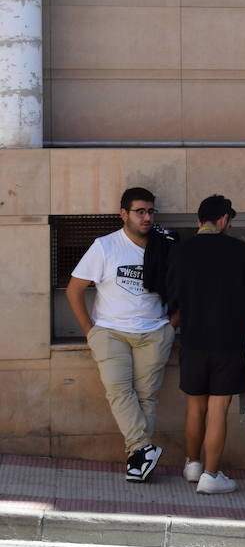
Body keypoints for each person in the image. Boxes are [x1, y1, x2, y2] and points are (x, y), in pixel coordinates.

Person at [66, 186, 175, 483]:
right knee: (118, 391)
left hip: (154, 331)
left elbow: (185, 289)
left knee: (146, 397)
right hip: (111, 332)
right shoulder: (105, 246)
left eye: (151, 211)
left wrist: (170, 325)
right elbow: (74, 289)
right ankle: (141, 448)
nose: (147, 217)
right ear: (123, 214)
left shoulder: (165, 245)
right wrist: (91, 331)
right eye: (140, 211)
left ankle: (138, 463)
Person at [164, 195, 245, 494]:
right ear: (223, 219)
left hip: (193, 341)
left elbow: (173, 304)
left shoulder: (181, 251)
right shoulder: (238, 251)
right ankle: (211, 476)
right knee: (217, 410)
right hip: (228, 343)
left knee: (195, 408)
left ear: (200, 219)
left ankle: (192, 465)